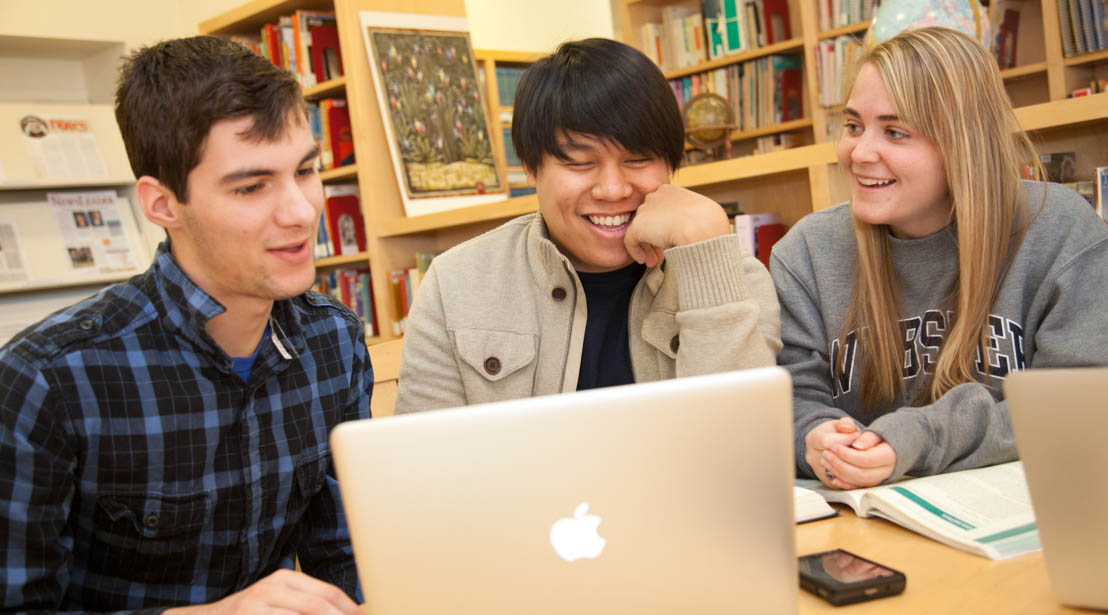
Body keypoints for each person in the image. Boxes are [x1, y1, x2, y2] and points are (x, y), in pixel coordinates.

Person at [0, 36, 370, 613]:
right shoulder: (47, 380)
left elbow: (347, 557)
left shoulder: (336, 342)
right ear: (162, 204)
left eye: (305, 170)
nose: (300, 212)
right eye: (252, 186)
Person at [771, 27, 1108, 491]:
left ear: (963, 145)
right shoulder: (805, 252)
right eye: (853, 126)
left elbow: (1081, 405)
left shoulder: (1059, 230)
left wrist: (917, 437)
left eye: (895, 131)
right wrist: (816, 437)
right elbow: (792, 399)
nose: (859, 152)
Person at [395, 38, 780, 412]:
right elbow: (426, 465)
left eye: (638, 159)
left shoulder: (737, 280)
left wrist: (708, 258)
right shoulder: (456, 284)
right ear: (530, 167)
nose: (612, 190)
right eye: (579, 162)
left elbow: (743, 449)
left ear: (670, 163)